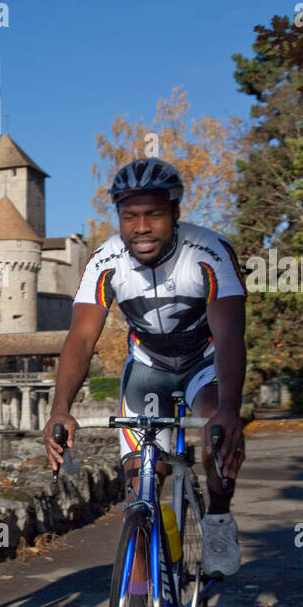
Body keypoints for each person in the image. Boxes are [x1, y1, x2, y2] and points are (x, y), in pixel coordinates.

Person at [42, 158, 247, 576]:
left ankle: (220, 520)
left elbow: (229, 336)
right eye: (129, 216)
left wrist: (228, 409)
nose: (140, 227)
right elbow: (81, 337)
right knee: (139, 489)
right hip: (148, 368)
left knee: (219, 434)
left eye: (153, 214)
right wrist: (60, 408)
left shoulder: (209, 252)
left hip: (202, 364)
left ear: (174, 212)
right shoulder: (105, 260)